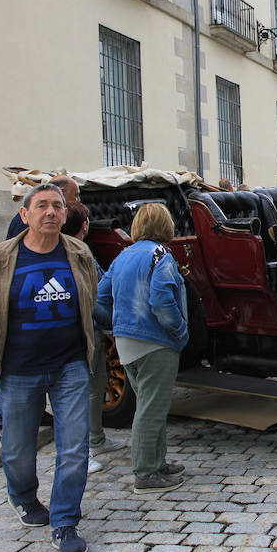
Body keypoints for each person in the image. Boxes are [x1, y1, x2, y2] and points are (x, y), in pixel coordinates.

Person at [0, 184, 96, 552]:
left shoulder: (79, 254)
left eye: (57, 206)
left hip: (70, 366)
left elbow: (91, 297)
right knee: (18, 448)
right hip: (19, 369)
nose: (51, 212)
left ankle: (65, 522)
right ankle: (23, 497)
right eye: (42, 206)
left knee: (74, 447)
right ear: (25, 215)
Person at [95, 203, 188, 494]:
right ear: (166, 226)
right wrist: (180, 329)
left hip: (127, 342)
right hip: (155, 341)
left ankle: (156, 463)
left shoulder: (123, 256)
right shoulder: (161, 256)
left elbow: (101, 297)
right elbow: (162, 300)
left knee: (150, 406)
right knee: (151, 409)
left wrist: (116, 325)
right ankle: (146, 473)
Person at [0, 175, 83, 439]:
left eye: (63, 204)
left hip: (59, 346)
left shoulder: (75, 250)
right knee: (7, 360)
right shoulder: (21, 231)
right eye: (73, 196)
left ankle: (33, 410)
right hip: (24, 308)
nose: (75, 202)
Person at [60, 203, 127, 473]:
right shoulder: (75, 251)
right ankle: (81, 450)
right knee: (82, 390)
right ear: (84, 225)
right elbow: (90, 293)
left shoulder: (78, 249)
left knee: (96, 383)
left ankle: (96, 438)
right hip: (82, 328)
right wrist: (111, 320)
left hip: (90, 327)